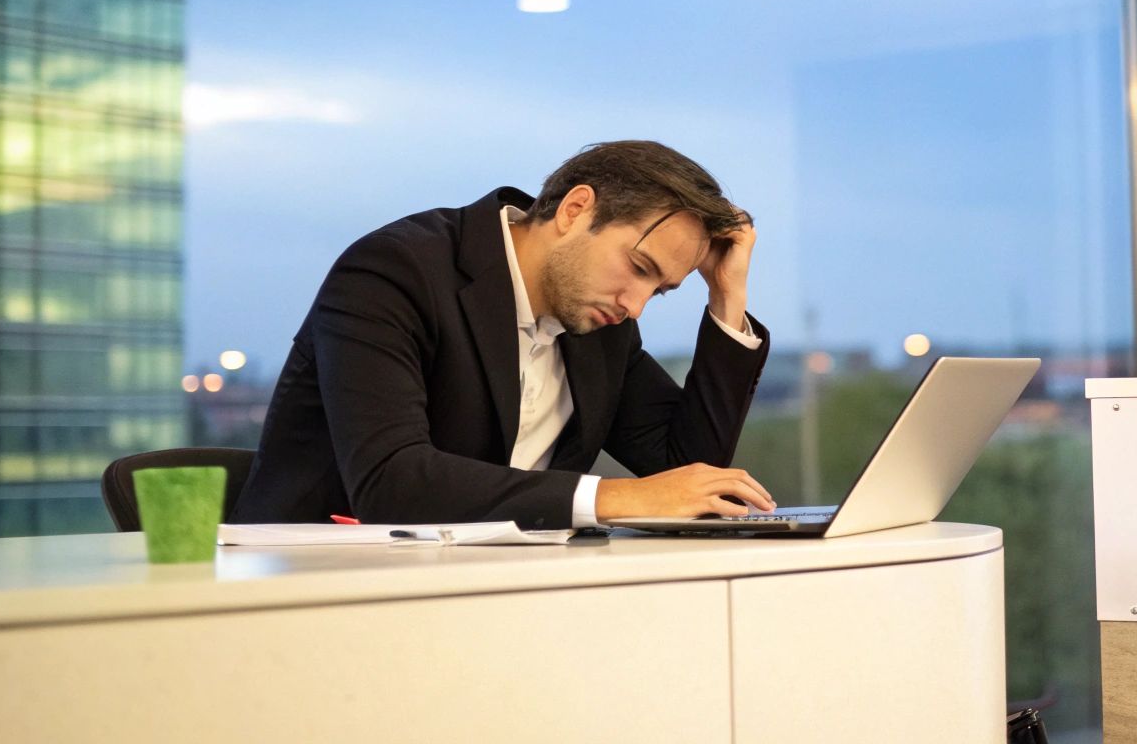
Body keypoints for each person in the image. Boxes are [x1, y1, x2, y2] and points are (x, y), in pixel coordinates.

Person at [233, 140, 776, 528]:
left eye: (658, 291)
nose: (635, 306)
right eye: (638, 267)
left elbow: (686, 473)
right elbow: (392, 482)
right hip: (320, 594)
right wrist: (613, 498)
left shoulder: (600, 321)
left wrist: (727, 298)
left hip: (501, 595)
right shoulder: (394, 272)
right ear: (575, 210)